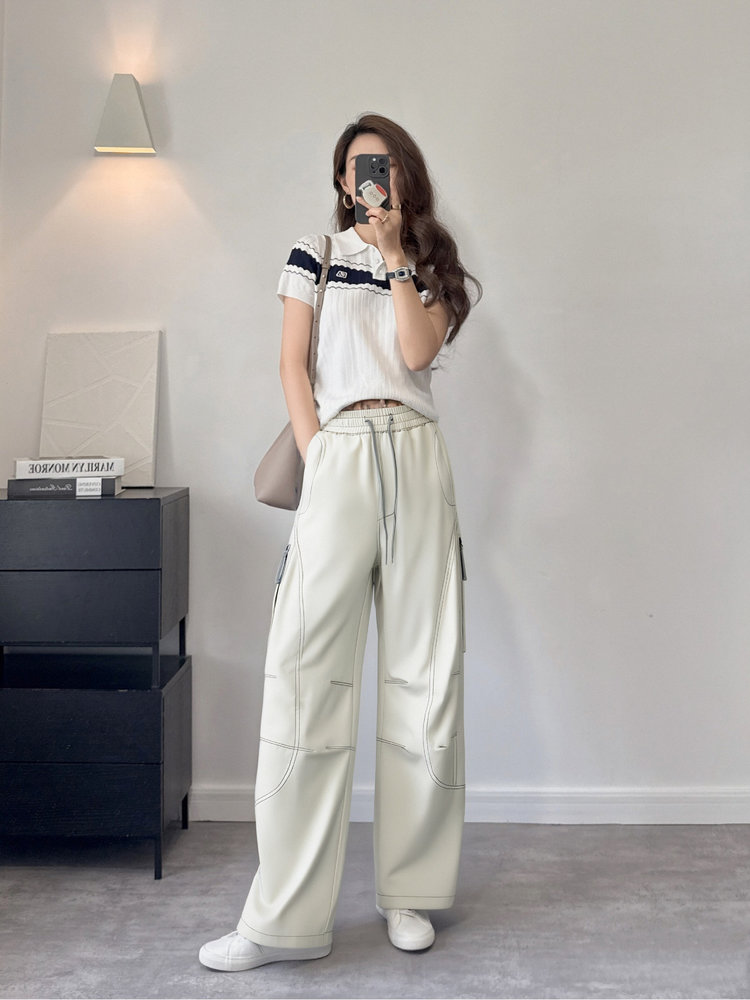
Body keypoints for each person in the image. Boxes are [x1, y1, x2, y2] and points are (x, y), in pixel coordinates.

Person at [199, 113, 480, 972]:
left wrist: (395, 254)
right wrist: (318, 456)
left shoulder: (430, 264)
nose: (370, 180)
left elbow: (417, 352)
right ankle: (281, 921)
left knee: (426, 677)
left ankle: (410, 895)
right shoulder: (313, 253)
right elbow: (292, 363)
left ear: (404, 175)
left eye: (383, 166)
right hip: (341, 452)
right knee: (304, 677)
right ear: (340, 178)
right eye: (358, 167)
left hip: (418, 457)